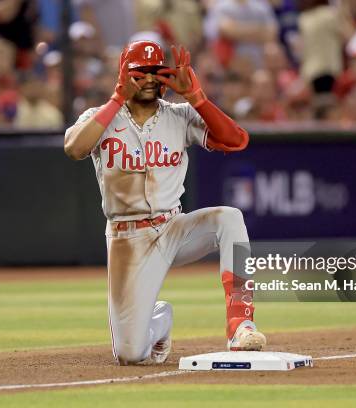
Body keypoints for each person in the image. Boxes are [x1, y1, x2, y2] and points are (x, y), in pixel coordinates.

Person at [64, 40, 266, 365]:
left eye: (155, 72)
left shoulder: (180, 115)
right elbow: (74, 148)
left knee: (229, 219)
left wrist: (197, 98)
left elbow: (236, 140)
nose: (148, 79)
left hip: (173, 228)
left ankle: (240, 325)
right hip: (127, 240)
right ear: (123, 75)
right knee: (130, 354)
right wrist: (117, 98)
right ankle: (160, 318)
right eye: (138, 73)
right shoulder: (99, 117)